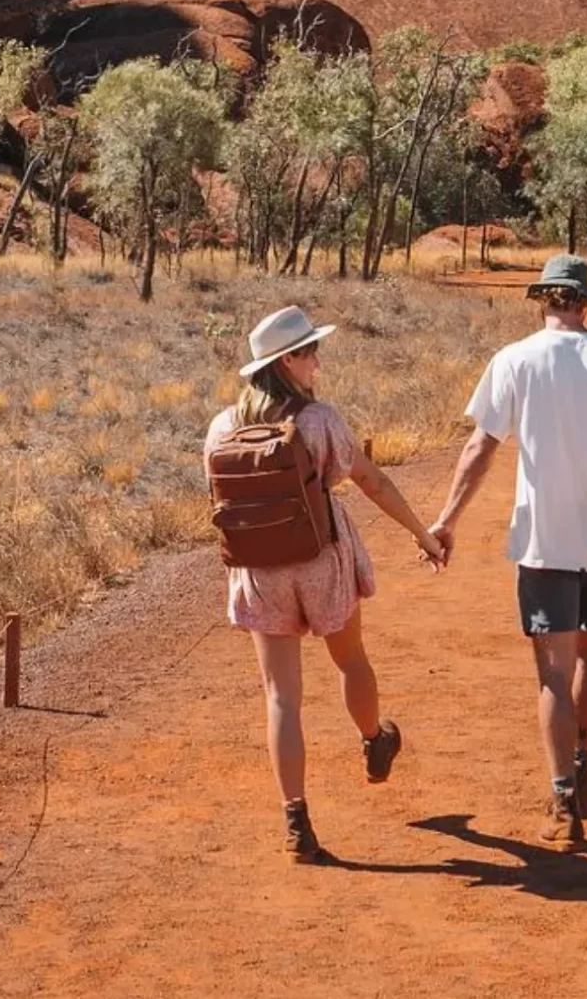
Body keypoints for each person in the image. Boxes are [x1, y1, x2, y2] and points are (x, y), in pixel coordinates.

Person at [431, 253, 587, 849]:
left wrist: (447, 520)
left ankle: (564, 800)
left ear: (543, 300)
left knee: (552, 674)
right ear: (586, 303)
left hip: (544, 541)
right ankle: (583, 766)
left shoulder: (514, 361)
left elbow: (481, 446)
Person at [204, 304, 449, 864]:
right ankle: (373, 738)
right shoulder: (318, 422)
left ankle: (297, 820)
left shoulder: (222, 426)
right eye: (311, 351)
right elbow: (373, 483)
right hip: (322, 560)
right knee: (351, 660)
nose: (318, 360)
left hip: (260, 569)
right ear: (287, 360)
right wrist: (423, 535)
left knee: (281, 697)